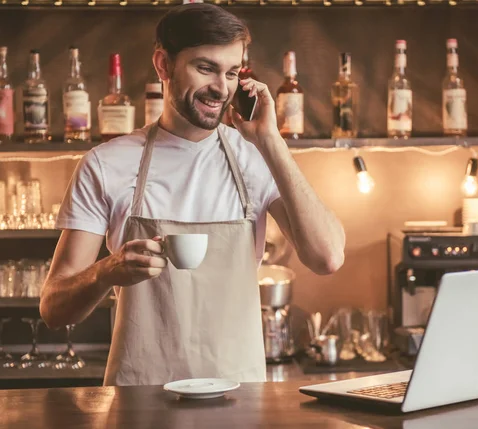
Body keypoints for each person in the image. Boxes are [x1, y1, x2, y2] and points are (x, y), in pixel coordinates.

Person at [39, 3, 345, 386]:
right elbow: (53, 308)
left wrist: (272, 142)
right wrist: (107, 271)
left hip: (240, 399)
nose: (221, 87)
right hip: (140, 400)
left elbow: (327, 257)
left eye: (232, 72)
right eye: (205, 68)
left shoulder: (255, 158)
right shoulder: (105, 165)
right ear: (163, 65)